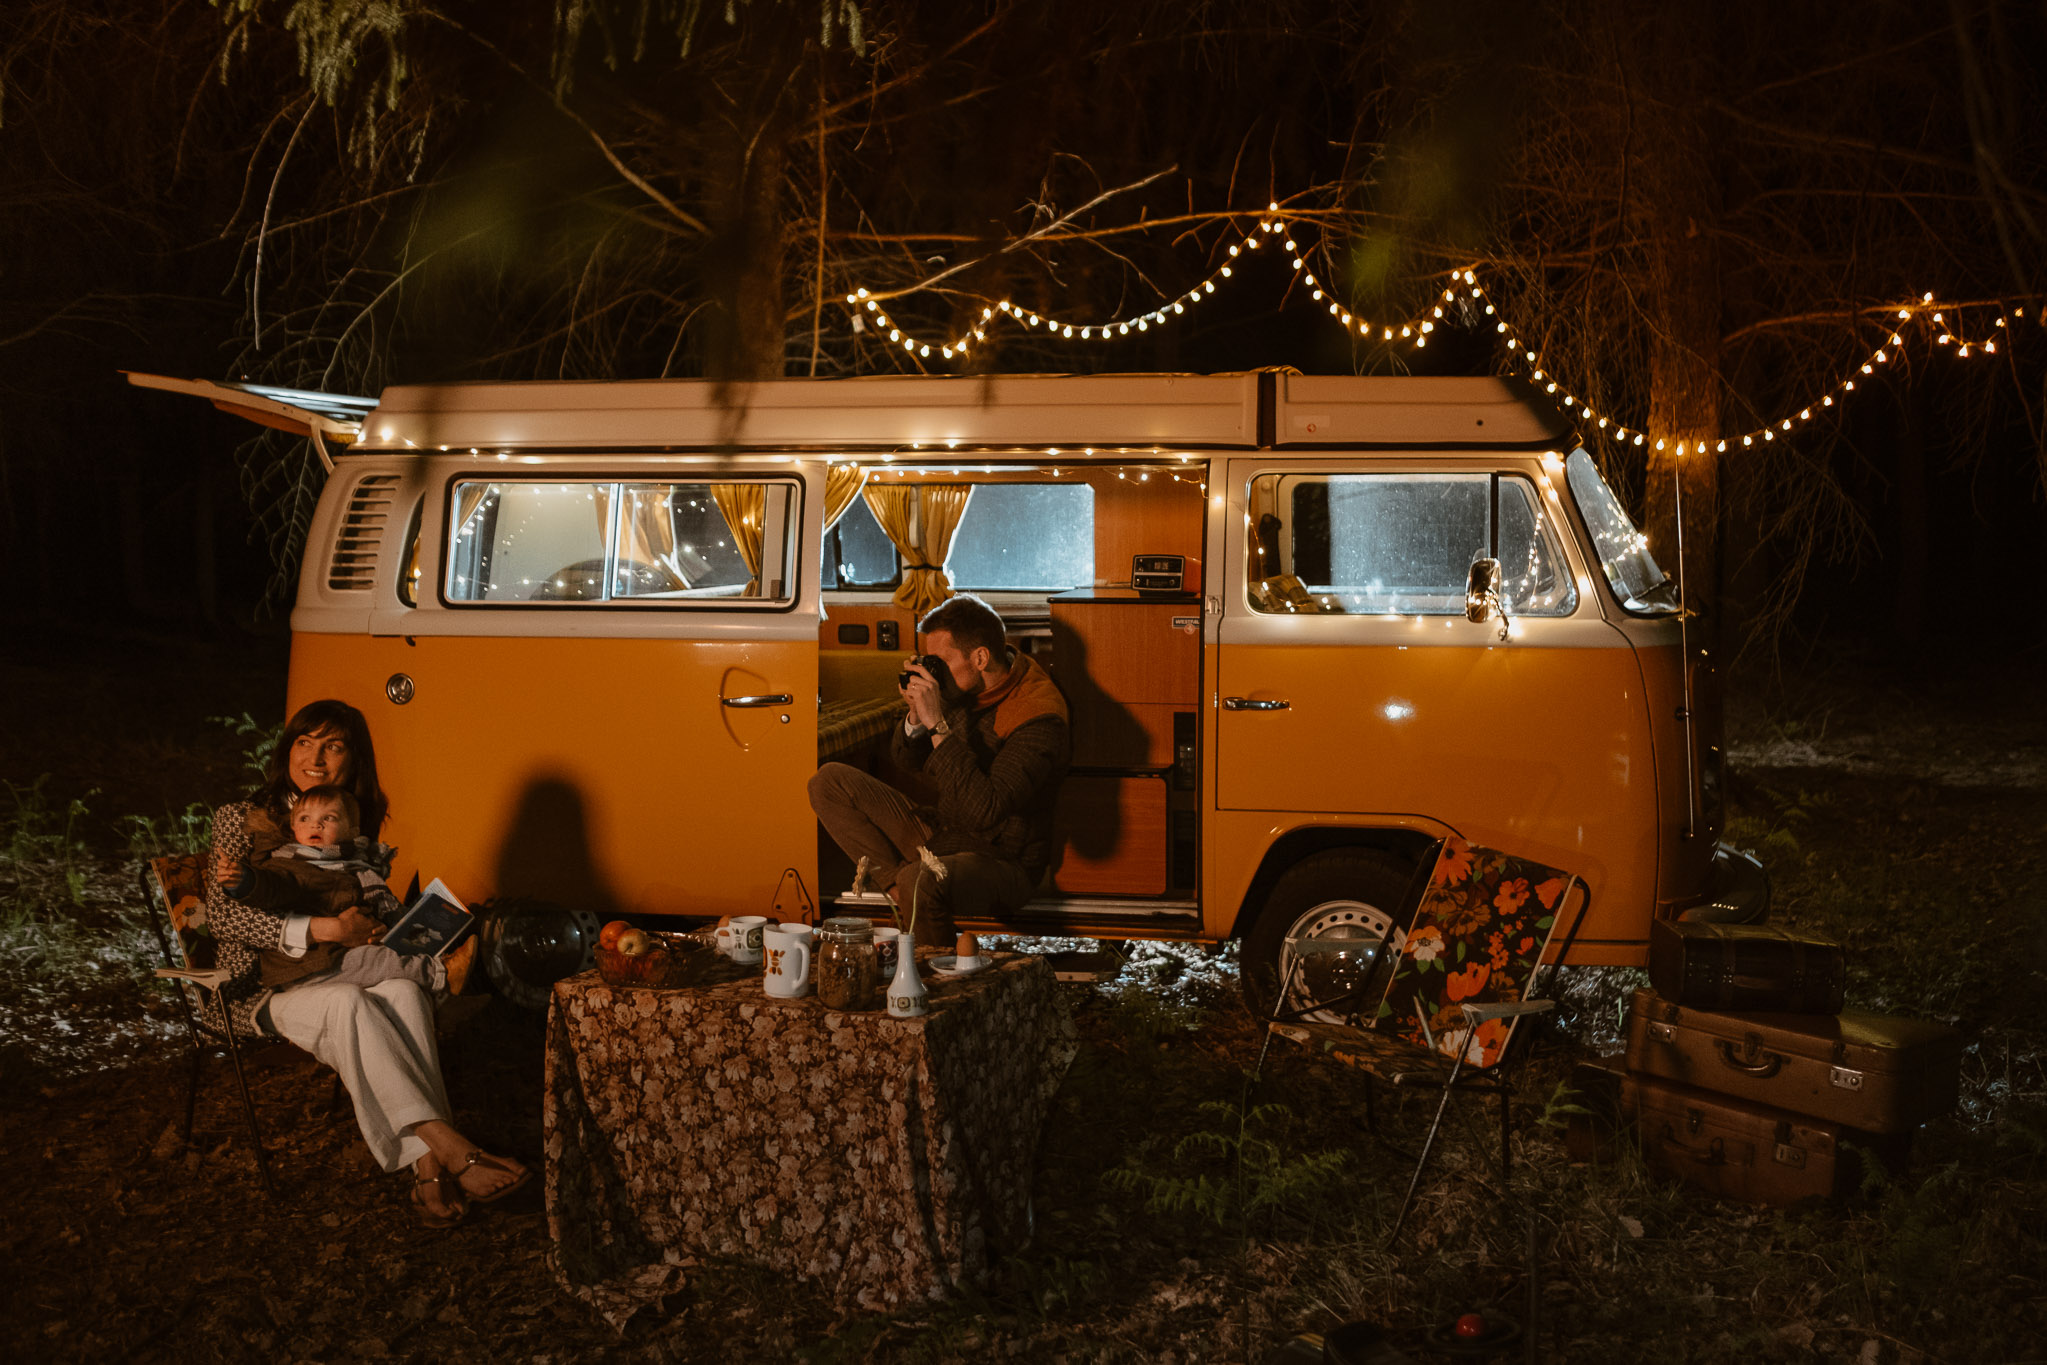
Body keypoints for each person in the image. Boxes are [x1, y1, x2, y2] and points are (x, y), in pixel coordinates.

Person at [204, 699, 527, 1227]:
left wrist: (397, 928)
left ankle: (428, 1173)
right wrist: (324, 929)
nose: (316, 757)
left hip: (347, 969)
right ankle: (445, 1147)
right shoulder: (240, 818)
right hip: (258, 987)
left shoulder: (349, 818)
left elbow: (369, 904)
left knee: (401, 993)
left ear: (353, 761)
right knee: (350, 1003)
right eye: (305, 742)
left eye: (333, 746)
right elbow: (224, 916)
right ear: (287, 749)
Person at [808, 593, 1070, 949]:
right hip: (946, 834)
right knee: (830, 781)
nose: (935, 671)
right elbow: (906, 760)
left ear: (979, 657)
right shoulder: (966, 684)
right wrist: (916, 717)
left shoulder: (1037, 715)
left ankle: (933, 981)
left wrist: (937, 724)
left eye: (941, 661)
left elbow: (986, 812)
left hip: (1004, 860)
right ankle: (900, 891)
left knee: (923, 877)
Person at [225, 784, 444, 996]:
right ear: (294, 828)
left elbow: (386, 906)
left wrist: (386, 927)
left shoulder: (359, 869)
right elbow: (272, 885)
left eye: (328, 818)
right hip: (306, 965)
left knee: (393, 971)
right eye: (304, 818)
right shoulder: (289, 863)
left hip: (337, 959)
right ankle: (441, 974)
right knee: (376, 959)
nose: (315, 825)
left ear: (352, 831)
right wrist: (245, 880)